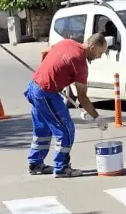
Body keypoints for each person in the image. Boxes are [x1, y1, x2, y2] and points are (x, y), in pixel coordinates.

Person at [26, 33, 108, 177]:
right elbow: (82, 97)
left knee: (42, 129)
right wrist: (97, 118)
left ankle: (35, 164)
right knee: (66, 130)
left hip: (34, 86)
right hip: (46, 93)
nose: (99, 57)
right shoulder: (80, 64)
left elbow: (44, 52)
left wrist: (49, 73)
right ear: (92, 47)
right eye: (100, 53)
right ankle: (62, 168)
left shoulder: (67, 42)